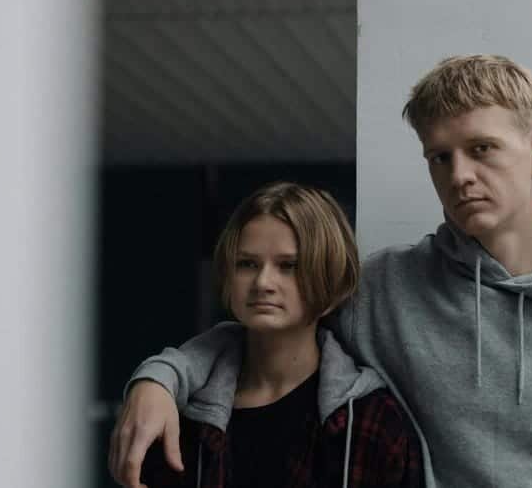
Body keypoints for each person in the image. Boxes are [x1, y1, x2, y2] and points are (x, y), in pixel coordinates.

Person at [111, 55, 532, 488]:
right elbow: (266, 324)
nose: (459, 175)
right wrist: (160, 379)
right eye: (439, 157)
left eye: (482, 149)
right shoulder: (386, 290)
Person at [137, 181, 421, 488]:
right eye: (247, 264)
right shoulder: (180, 411)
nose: (263, 282)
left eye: (289, 265)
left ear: (332, 282)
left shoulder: (370, 418)